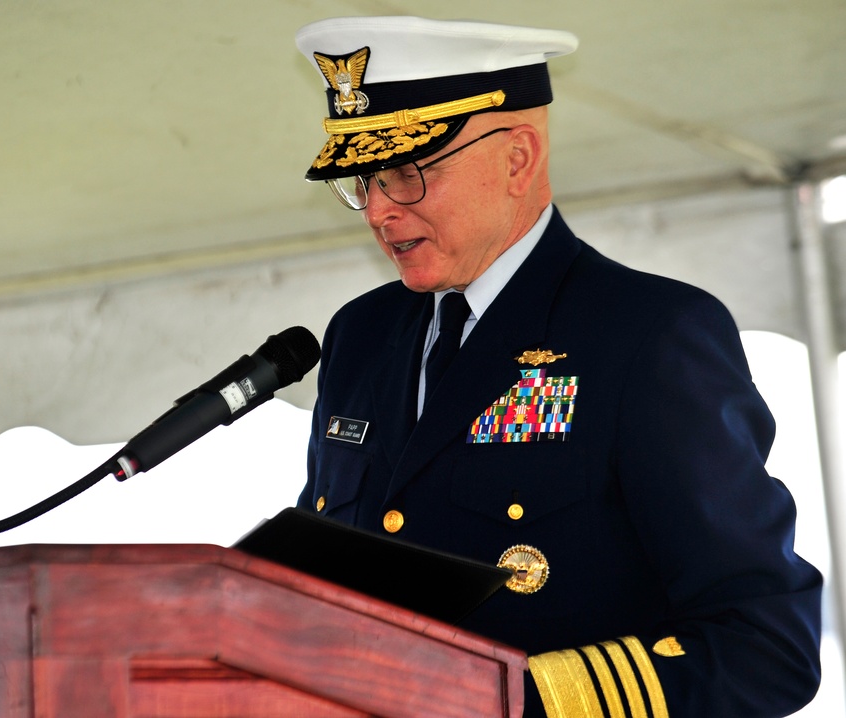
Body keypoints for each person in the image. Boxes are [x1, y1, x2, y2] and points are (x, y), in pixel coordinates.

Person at [292, 15, 822, 718]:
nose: (380, 210)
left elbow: (765, 644)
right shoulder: (360, 333)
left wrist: (498, 699)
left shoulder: (646, 333)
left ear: (516, 158)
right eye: (362, 181)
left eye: (406, 174)